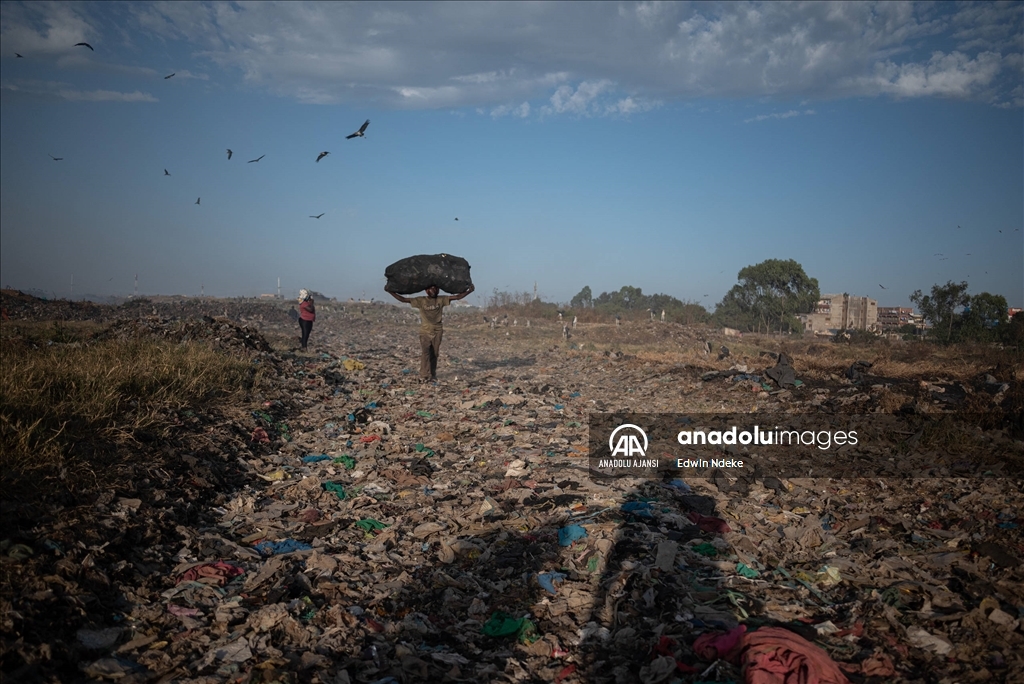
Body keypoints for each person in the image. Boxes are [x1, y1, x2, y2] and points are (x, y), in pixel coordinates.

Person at [388, 284, 474, 383]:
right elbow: (403, 299)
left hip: (437, 330)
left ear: (438, 290)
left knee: (434, 353)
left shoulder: (441, 300)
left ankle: (433, 374)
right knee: (426, 352)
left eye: (435, 289)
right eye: (431, 289)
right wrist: (390, 291)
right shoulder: (420, 301)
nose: (433, 291)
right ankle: (424, 374)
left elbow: (458, 297)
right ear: (426, 290)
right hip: (425, 331)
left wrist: (469, 291)